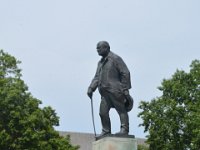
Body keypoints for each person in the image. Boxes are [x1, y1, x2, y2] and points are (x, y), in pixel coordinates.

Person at [87, 41, 133, 137]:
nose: (97, 50)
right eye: (97, 48)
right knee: (102, 112)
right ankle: (106, 131)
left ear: (106, 48)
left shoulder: (115, 58)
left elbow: (125, 73)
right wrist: (91, 88)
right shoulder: (100, 63)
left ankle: (124, 130)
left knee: (121, 110)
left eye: (99, 48)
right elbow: (97, 77)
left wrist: (125, 88)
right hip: (104, 92)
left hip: (115, 90)